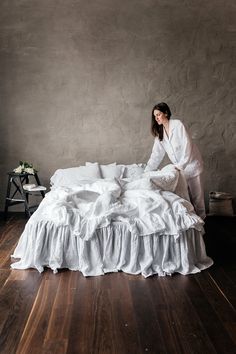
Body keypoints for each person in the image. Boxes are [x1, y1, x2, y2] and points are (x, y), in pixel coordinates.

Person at [145, 102, 205, 219]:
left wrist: (181, 165)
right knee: (186, 199)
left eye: (158, 114)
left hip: (192, 165)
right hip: (179, 170)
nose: (156, 118)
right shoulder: (160, 133)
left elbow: (188, 146)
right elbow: (156, 155)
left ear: (166, 113)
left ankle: (203, 223)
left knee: (198, 199)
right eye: (155, 116)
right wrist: (146, 171)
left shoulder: (178, 125)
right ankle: (192, 223)